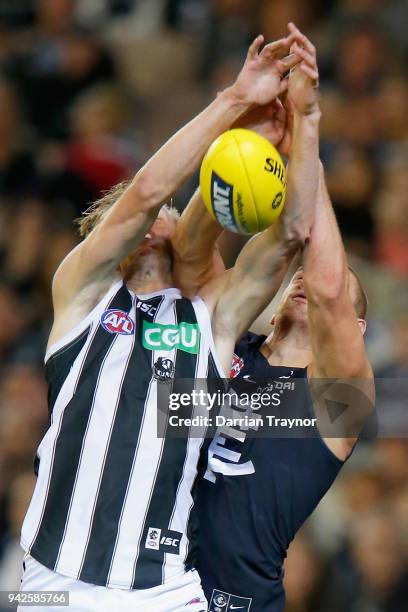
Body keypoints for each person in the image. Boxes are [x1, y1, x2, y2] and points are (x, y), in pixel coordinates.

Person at [19, 26, 311, 612]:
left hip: (164, 591)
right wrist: (234, 100)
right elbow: (147, 192)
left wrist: (302, 125)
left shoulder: (210, 319)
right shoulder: (82, 296)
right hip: (56, 586)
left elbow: (291, 237)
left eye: (173, 216)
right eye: (138, 217)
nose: (159, 217)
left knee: (332, 404)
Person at [175, 27, 375, 612]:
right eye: (297, 284)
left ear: (355, 337)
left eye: (334, 303)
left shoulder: (341, 404)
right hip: (151, 584)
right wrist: (258, 135)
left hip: (236, 602)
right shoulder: (231, 346)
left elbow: (331, 285)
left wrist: (309, 125)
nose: (306, 287)